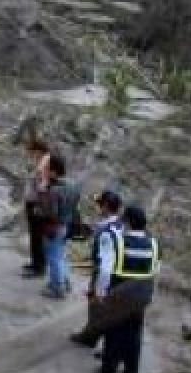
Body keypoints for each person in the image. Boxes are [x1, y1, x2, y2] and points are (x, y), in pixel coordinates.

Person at [97, 206, 159, 373]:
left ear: (128, 222)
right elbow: (156, 270)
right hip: (141, 294)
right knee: (134, 333)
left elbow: (106, 270)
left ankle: (108, 371)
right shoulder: (154, 243)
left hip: (119, 292)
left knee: (113, 331)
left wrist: (101, 292)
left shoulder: (117, 241)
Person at [71, 191, 124, 348]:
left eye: (100, 204)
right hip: (118, 272)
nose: (98, 207)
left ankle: (90, 337)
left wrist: (99, 289)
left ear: (106, 206)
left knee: (96, 307)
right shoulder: (120, 225)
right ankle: (94, 336)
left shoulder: (106, 231)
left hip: (104, 272)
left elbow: (105, 264)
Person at [39, 154, 78, 299]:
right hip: (66, 225)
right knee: (61, 255)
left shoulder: (54, 190)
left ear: (54, 171)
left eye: (47, 169)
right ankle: (65, 281)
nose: (45, 171)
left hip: (53, 227)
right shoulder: (73, 185)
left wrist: (43, 193)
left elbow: (50, 212)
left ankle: (57, 288)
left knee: (53, 258)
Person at [21, 138, 51, 278]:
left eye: (32, 151)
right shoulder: (42, 161)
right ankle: (35, 262)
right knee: (35, 234)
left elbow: (43, 185)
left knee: (37, 235)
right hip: (34, 201)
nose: (31, 155)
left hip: (37, 203)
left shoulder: (45, 162)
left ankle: (39, 267)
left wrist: (39, 203)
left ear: (38, 150)